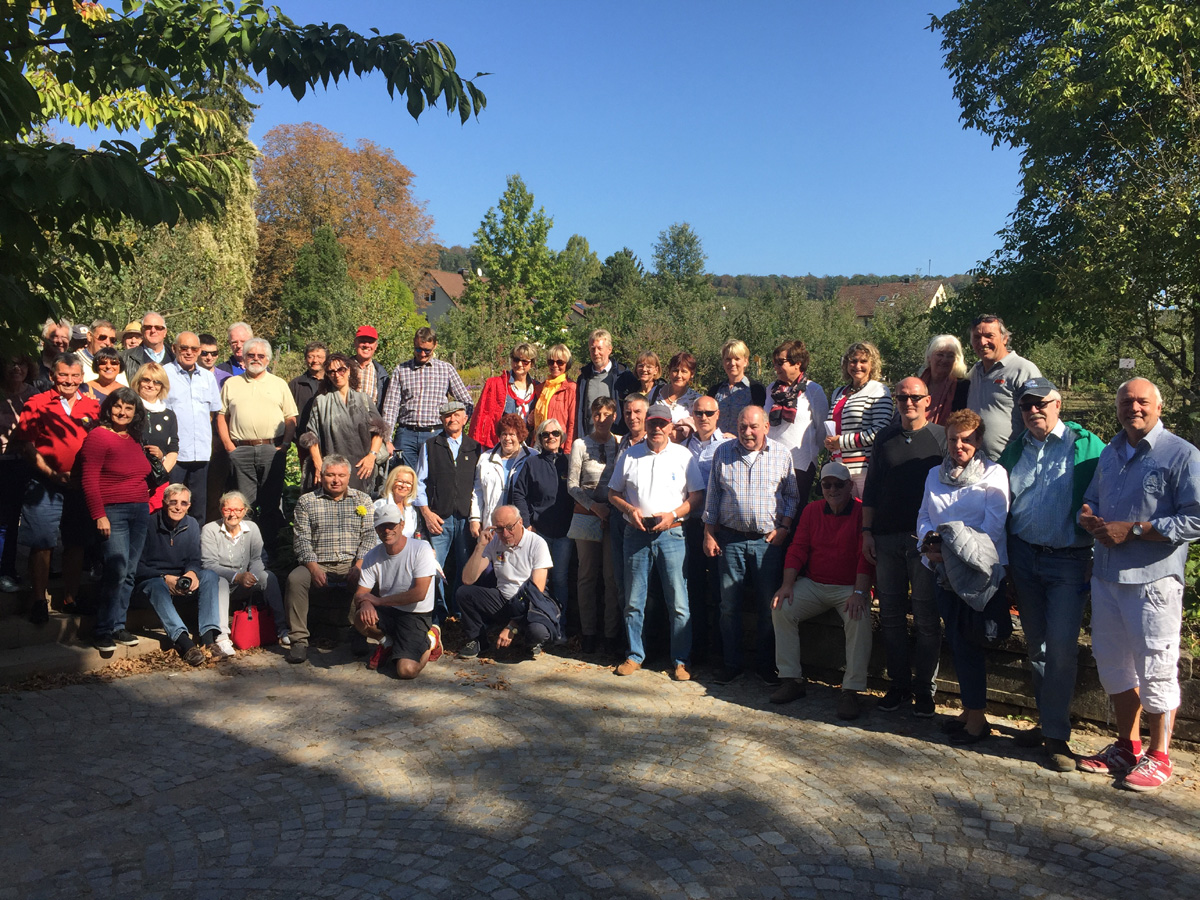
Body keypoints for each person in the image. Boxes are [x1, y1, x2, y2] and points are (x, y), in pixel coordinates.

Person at [1076, 378, 1200, 791]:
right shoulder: (1111, 452)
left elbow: (1196, 518)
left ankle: (1159, 754)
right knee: (1113, 666)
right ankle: (1126, 746)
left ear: (1158, 407)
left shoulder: (1181, 454)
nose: (1134, 408)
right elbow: (1092, 497)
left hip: (1153, 580)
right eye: (1127, 401)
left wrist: (1137, 529)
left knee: (1156, 668)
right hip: (1108, 575)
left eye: (1142, 401)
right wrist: (1089, 516)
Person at [997, 377, 1104, 771]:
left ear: (1058, 405)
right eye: (1027, 405)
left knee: (1060, 649)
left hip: (1068, 561)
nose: (1034, 410)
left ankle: (1057, 737)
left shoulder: (1086, 446)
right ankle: (1048, 723)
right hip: (1024, 557)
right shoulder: (1015, 450)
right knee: (1037, 646)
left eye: (1042, 403)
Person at [916, 408, 1010, 745]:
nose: (960, 445)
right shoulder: (933, 475)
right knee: (955, 641)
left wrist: (952, 552)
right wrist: (928, 544)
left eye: (967, 439)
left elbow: (993, 526)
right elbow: (924, 515)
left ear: (979, 440)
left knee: (970, 642)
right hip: (940, 570)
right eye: (954, 439)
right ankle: (970, 711)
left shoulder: (994, 475)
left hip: (976, 572)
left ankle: (978, 719)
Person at [861, 377, 946, 718]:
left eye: (915, 397)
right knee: (892, 616)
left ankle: (925, 690)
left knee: (926, 618)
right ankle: (898, 685)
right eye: (902, 397)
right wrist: (867, 531)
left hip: (924, 541)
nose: (908, 402)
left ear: (928, 401)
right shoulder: (885, 437)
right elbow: (872, 489)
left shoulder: (941, 437)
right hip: (885, 536)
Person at [769, 462, 874, 720]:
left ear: (850, 486)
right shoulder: (812, 510)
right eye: (826, 484)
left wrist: (860, 593)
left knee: (858, 617)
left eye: (839, 484)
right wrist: (787, 585)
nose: (832, 489)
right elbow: (798, 548)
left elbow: (865, 555)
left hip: (849, 586)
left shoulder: (861, 512)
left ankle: (851, 690)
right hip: (815, 584)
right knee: (781, 607)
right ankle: (791, 679)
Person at [608, 403, 705, 681]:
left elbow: (696, 496)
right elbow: (613, 493)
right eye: (653, 423)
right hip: (635, 534)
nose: (658, 429)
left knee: (678, 601)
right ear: (646, 424)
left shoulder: (684, 456)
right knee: (633, 600)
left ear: (671, 426)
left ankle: (681, 660)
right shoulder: (629, 455)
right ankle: (634, 655)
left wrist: (673, 514)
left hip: (672, 534)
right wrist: (629, 510)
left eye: (663, 424)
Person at [704, 405, 799, 686]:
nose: (747, 432)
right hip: (730, 539)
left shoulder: (781, 454)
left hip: (767, 543)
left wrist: (785, 528)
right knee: (728, 607)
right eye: (743, 426)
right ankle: (731, 664)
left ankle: (765, 666)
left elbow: (792, 496)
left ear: (766, 427)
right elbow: (713, 496)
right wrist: (708, 533)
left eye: (754, 426)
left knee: (769, 607)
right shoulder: (723, 451)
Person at [13, 353, 100, 621]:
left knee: (75, 543)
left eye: (75, 376)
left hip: (80, 484)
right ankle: (39, 599)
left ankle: (70, 598)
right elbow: (27, 445)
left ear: (82, 378)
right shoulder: (37, 402)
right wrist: (51, 473)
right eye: (63, 375)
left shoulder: (93, 407)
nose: (69, 381)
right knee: (42, 541)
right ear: (52, 376)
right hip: (44, 483)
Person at [78, 388, 152, 652]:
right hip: (113, 511)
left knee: (130, 572)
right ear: (109, 409)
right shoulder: (98, 436)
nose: (123, 412)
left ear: (136, 413)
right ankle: (102, 630)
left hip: (140, 509)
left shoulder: (134, 437)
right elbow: (89, 479)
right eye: (118, 407)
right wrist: (99, 515)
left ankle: (118, 625)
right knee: (116, 570)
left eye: (129, 408)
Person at [285, 456, 377, 663]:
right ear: (322, 476)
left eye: (341, 475)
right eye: (331, 475)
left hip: (352, 563)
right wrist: (314, 568)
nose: (336, 480)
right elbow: (301, 541)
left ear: (348, 477)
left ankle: (359, 633)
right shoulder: (307, 501)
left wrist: (359, 565)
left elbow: (370, 536)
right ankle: (299, 640)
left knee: (370, 578)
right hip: (317, 564)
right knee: (295, 579)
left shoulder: (362, 500)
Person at [133, 483, 228, 664]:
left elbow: (194, 558)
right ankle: (184, 642)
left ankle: (209, 640)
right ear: (164, 502)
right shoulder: (147, 523)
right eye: (174, 502)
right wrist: (164, 577)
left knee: (210, 576)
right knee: (156, 586)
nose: (178, 507)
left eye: (183, 503)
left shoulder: (191, 524)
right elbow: (136, 565)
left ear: (189, 506)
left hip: (180, 580)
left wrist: (191, 573)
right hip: (151, 582)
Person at [216, 337, 297, 545]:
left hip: (272, 449)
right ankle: (245, 549)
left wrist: (285, 445)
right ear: (243, 357)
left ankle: (269, 551)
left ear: (268, 359)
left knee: (271, 504)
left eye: (260, 356)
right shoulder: (232, 384)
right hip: (241, 451)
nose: (255, 359)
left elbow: (291, 418)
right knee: (244, 504)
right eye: (251, 355)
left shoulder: (279, 384)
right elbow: (221, 416)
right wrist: (229, 446)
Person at [352, 504, 444, 677]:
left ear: (402, 525)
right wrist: (365, 603)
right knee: (360, 617)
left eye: (391, 525)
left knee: (406, 671)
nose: (386, 530)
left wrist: (377, 601)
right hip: (389, 611)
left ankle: (431, 639)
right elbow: (360, 593)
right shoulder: (372, 555)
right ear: (376, 528)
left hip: (415, 614)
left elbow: (419, 593)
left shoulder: (421, 549)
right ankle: (388, 644)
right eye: (381, 526)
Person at [456, 505, 554, 659]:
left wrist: (512, 626)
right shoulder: (494, 541)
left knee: (538, 632)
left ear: (520, 522)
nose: (505, 534)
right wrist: (480, 547)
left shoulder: (537, 543)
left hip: (528, 603)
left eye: (510, 527)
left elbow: (537, 589)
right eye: (500, 529)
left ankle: (530, 642)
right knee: (464, 593)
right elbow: (468, 579)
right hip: (502, 599)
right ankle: (478, 640)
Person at [413, 400, 481, 622]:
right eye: (447, 415)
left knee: (465, 566)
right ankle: (437, 614)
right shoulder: (430, 446)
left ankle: (461, 612)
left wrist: (474, 518)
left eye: (456, 415)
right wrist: (426, 512)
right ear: (442, 419)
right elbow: (419, 483)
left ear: (465, 419)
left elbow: (478, 486)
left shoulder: (474, 447)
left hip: (464, 518)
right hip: (438, 518)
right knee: (435, 568)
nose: (452, 419)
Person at [201, 490, 287, 647]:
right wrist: (237, 577)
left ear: (245, 510)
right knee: (220, 582)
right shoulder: (210, 530)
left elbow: (258, 557)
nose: (232, 514)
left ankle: (282, 629)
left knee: (269, 577)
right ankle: (222, 636)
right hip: (222, 584)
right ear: (221, 510)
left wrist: (251, 576)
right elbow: (209, 564)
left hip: (245, 583)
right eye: (228, 509)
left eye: (237, 510)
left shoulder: (252, 528)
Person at [567, 396, 619, 655]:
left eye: (607, 415)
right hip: (587, 512)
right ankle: (588, 631)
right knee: (586, 575)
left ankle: (610, 633)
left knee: (611, 577)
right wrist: (594, 507)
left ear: (614, 416)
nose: (601, 420)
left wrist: (609, 508)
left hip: (612, 513)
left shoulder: (620, 442)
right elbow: (572, 485)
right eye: (597, 414)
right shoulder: (580, 444)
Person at [381, 326, 473, 467]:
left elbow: (466, 402)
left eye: (427, 350)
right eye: (418, 349)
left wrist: (457, 425)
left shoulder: (446, 369)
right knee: (405, 481)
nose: (422, 354)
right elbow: (391, 407)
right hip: (406, 435)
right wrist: (387, 440)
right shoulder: (401, 370)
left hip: (436, 433)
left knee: (435, 480)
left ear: (435, 346)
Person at [681, 394, 728, 665]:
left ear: (717, 414)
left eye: (709, 413)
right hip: (690, 526)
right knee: (693, 590)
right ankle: (696, 649)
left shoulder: (728, 445)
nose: (704, 418)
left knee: (722, 592)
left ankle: (721, 652)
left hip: (719, 527)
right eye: (698, 413)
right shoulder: (683, 446)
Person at [512, 418, 574, 615]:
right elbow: (518, 493)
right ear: (539, 438)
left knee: (561, 579)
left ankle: (560, 624)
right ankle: (538, 619)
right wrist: (527, 523)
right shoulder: (532, 463)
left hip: (566, 532)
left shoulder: (569, 462)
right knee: (540, 578)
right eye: (546, 434)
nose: (551, 437)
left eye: (555, 433)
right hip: (540, 532)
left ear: (561, 437)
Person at [301, 352, 386, 494]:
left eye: (341, 369)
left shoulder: (363, 400)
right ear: (327, 375)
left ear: (349, 370)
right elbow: (311, 436)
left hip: (361, 468)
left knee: (359, 509)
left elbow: (379, 430)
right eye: (331, 371)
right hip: (332, 469)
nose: (337, 374)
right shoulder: (321, 402)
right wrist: (318, 464)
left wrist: (371, 456)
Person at [966, 314, 1042, 460]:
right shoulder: (975, 372)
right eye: (976, 337)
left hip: (1011, 462)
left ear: (1005, 338)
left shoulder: (1023, 369)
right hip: (976, 463)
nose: (982, 342)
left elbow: (1038, 416)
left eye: (989, 336)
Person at [824, 341, 893, 498]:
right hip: (838, 468)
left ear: (872, 365)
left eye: (863, 361)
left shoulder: (878, 390)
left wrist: (841, 442)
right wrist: (829, 442)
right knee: (843, 518)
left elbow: (881, 430)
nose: (857, 366)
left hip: (864, 468)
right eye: (853, 361)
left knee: (865, 515)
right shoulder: (838, 392)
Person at [165, 331, 222, 517]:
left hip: (201, 452)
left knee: (198, 503)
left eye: (194, 349)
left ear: (199, 351)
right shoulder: (164, 374)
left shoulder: (207, 377)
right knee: (172, 500)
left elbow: (212, 413)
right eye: (184, 348)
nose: (189, 352)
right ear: (174, 349)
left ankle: (195, 542)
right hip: (175, 453)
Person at [766, 339, 828, 503]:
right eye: (775, 363)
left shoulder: (813, 390)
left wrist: (812, 453)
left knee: (795, 514)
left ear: (797, 364)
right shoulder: (770, 390)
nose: (776, 367)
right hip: (771, 462)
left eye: (781, 362)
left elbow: (822, 429)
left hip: (801, 463)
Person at [609, 392, 649, 612]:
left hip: (642, 520)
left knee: (643, 583)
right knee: (621, 578)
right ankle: (627, 640)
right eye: (627, 412)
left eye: (637, 412)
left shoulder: (655, 442)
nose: (632, 417)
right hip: (619, 515)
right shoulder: (622, 440)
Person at [0, 354, 37, 593]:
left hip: (23, 462)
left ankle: (8, 570)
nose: (16, 368)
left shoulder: (33, 394)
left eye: (21, 363)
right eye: (10, 362)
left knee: (12, 521)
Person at [470, 413, 532, 539]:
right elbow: (477, 492)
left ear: (520, 437)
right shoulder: (485, 458)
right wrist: (474, 519)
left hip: (522, 525)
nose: (507, 438)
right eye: (504, 434)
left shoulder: (532, 457)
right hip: (493, 525)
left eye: (512, 434)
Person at [471, 343, 539, 448]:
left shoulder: (537, 387)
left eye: (525, 362)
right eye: (516, 360)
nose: (520, 364)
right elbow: (483, 417)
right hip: (504, 443)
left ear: (532, 364)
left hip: (528, 443)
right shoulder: (497, 384)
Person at [133, 362, 178, 512]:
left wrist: (157, 478)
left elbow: (173, 449)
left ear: (162, 386)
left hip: (158, 483)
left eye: (157, 382)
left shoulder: (169, 415)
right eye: (146, 380)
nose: (151, 385)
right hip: (132, 481)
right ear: (138, 382)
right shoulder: (129, 409)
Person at [575, 328, 627, 440]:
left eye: (600, 348)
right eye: (592, 349)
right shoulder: (584, 379)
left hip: (615, 442)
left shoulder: (623, 377)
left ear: (609, 349)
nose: (596, 353)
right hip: (589, 442)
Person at [707, 339, 767, 435]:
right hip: (718, 446)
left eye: (737, 359)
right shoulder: (715, 390)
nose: (732, 363)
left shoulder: (756, 390)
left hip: (745, 445)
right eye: (728, 359)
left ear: (745, 361)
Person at [530, 344, 577, 447]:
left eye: (560, 362)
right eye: (551, 362)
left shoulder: (571, 388)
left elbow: (572, 424)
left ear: (567, 364)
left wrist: (568, 450)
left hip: (558, 446)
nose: (555, 365)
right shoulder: (541, 388)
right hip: (539, 443)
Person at [920, 334, 970, 426]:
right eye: (940, 354)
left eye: (950, 356)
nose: (944, 360)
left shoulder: (964, 387)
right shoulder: (917, 385)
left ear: (956, 360)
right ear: (929, 357)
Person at [289, 341, 327, 450]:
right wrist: (295, 438)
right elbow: (289, 413)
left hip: (329, 441)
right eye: (311, 357)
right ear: (306, 359)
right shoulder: (295, 384)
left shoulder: (333, 382)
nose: (315, 360)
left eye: (319, 357)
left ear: (326, 359)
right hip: (304, 443)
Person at [649, 351, 702, 422]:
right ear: (669, 371)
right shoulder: (656, 391)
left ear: (691, 374)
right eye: (675, 370)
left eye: (684, 371)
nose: (678, 375)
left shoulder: (696, 400)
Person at [122, 311, 174, 380]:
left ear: (165, 332)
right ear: (142, 331)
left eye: (158, 327)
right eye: (148, 327)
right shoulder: (124, 358)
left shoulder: (177, 359)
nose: (153, 331)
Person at [351, 325, 390, 412]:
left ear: (376, 346)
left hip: (371, 422)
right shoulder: (343, 368)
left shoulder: (381, 374)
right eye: (362, 341)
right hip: (346, 422)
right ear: (355, 343)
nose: (366, 345)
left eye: (370, 342)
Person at [378, 464, 420, 537]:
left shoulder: (412, 510)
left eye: (408, 483)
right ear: (391, 482)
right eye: (400, 481)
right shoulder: (380, 505)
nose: (403, 486)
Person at [35, 318, 72, 390]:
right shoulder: (32, 363)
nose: (59, 341)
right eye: (54, 336)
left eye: (64, 337)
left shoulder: (73, 365)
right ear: (43, 339)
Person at [215, 321, 252, 386]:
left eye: (243, 341)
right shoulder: (220, 371)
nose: (239, 346)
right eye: (234, 342)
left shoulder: (262, 369)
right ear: (229, 343)